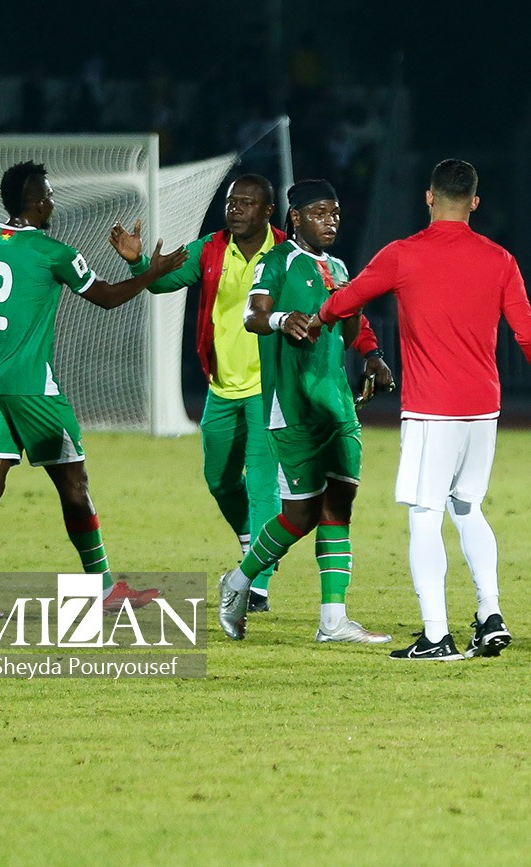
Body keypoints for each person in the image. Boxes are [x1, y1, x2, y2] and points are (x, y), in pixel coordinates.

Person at [109, 174, 393, 614]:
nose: (235, 209)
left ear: (268, 211)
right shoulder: (210, 249)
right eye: (231, 202)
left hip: (270, 389)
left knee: (265, 487)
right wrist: (138, 262)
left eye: (246, 203)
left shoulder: (288, 253)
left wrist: (371, 352)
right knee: (220, 480)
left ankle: (255, 587)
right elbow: (164, 281)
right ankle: (252, 543)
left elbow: (346, 308)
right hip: (222, 387)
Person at [315, 159, 531, 661]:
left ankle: (436, 636)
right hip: (483, 408)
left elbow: (347, 300)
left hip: (432, 410)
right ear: (475, 202)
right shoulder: (500, 258)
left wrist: (319, 314)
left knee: (425, 517)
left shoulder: (403, 254)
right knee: (468, 509)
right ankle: (490, 615)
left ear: (428, 197)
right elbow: (528, 329)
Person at [0, 160, 183, 616]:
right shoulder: (54, 252)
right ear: (37, 204)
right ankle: (105, 590)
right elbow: (106, 297)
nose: (53, 202)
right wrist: (153, 272)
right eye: (50, 195)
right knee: (75, 486)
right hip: (35, 390)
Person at [215, 179, 390, 646]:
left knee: (340, 504)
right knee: (301, 513)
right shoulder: (277, 261)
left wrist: (372, 354)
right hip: (292, 405)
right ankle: (238, 581)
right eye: (320, 213)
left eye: (335, 214)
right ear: (295, 217)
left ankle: (333, 620)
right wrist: (280, 319)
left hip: (336, 403)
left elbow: (350, 330)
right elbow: (252, 315)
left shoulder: (339, 267)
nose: (331, 222)